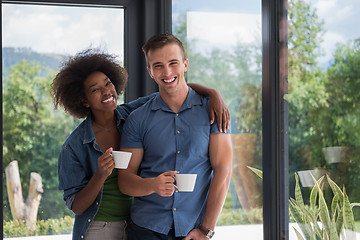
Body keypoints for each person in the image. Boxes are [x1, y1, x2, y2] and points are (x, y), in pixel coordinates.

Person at [51, 48, 230, 240]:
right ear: (84, 101)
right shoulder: (74, 146)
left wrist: (213, 93)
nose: (106, 92)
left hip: (137, 223)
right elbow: (76, 206)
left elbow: (173, 88)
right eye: (95, 89)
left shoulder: (132, 115)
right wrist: (100, 175)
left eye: (108, 83)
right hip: (100, 227)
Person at [118, 33, 233, 240]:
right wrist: (152, 185)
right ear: (150, 72)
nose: (167, 72)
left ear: (185, 64)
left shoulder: (213, 111)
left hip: (194, 231)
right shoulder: (137, 120)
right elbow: (125, 181)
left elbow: (223, 171)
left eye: (173, 63)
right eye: (158, 66)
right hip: (146, 230)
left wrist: (206, 230)